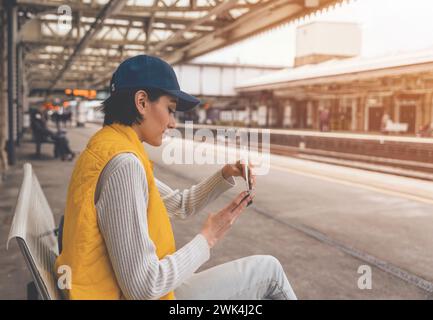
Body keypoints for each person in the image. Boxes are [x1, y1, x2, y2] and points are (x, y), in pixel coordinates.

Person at [56, 55, 297, 300]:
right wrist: (208, 237)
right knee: (270, 273)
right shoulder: (124, 166)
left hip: (108, 289)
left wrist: (224, 175)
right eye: (170, 109)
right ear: (141, 102)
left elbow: (180, 205)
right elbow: (145, 287)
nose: (172, 123)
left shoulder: (106, 147)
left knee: (267, 270)